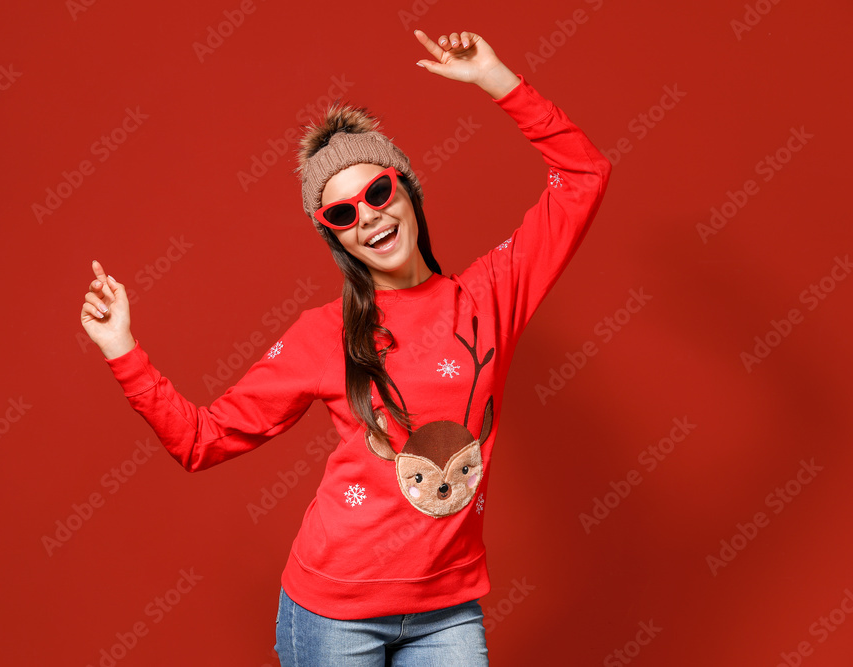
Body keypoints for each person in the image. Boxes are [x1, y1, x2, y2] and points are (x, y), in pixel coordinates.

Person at [80, 28, 611, 666]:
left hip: (447, 610)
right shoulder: (322, 335)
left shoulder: (490, 297)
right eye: (343, 214)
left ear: (408, 191)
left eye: (379, 193)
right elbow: (202, 441)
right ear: (334, 237)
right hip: (334, 613)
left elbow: (584, 176)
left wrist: (496, 81)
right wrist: (123, 351)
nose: (370, 218)